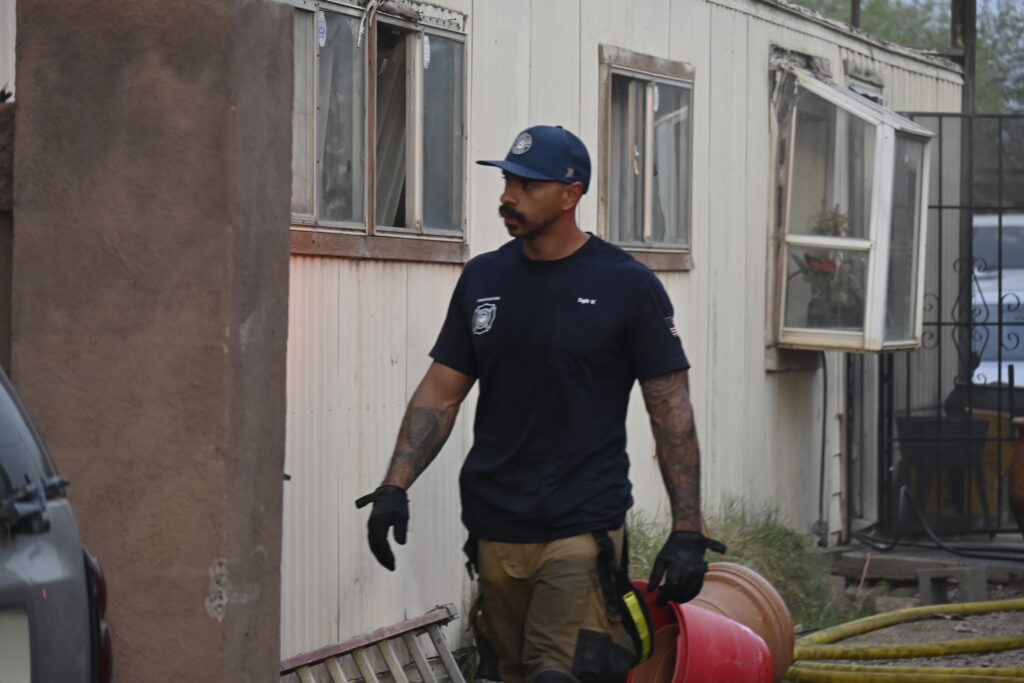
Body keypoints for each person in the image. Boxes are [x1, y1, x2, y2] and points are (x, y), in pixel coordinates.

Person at [356, 125, 722, 683]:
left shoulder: (627, 285)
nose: (508, 196)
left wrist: (688, 529)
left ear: (571, 194)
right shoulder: (485, 278)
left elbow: (670, 410)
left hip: (580, 524)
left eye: (527, 185)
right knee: (509, 673)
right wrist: (394, 486)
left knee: (558, 673)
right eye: (507, 181)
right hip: (494, 526)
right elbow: (441, 394)